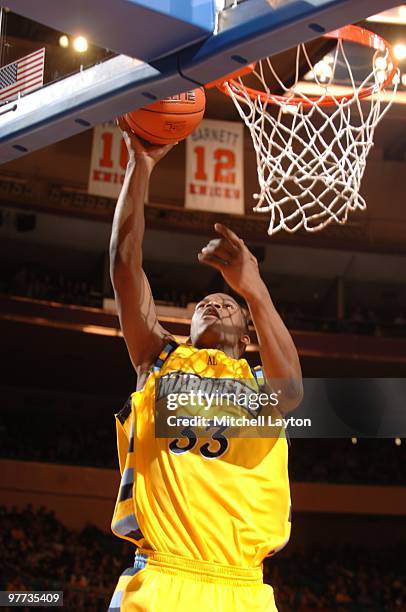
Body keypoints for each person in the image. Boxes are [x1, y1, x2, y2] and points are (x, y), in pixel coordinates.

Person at [108, 118, 303, 612]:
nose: (212, 306)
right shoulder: (160, 357)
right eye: (202, 305)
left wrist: (253, 286)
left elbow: (293, 391)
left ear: (246, 329)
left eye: (227, 304)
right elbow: (124, 266)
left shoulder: (262, 385)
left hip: (243, 588)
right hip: (162, 576)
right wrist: (140, 166)